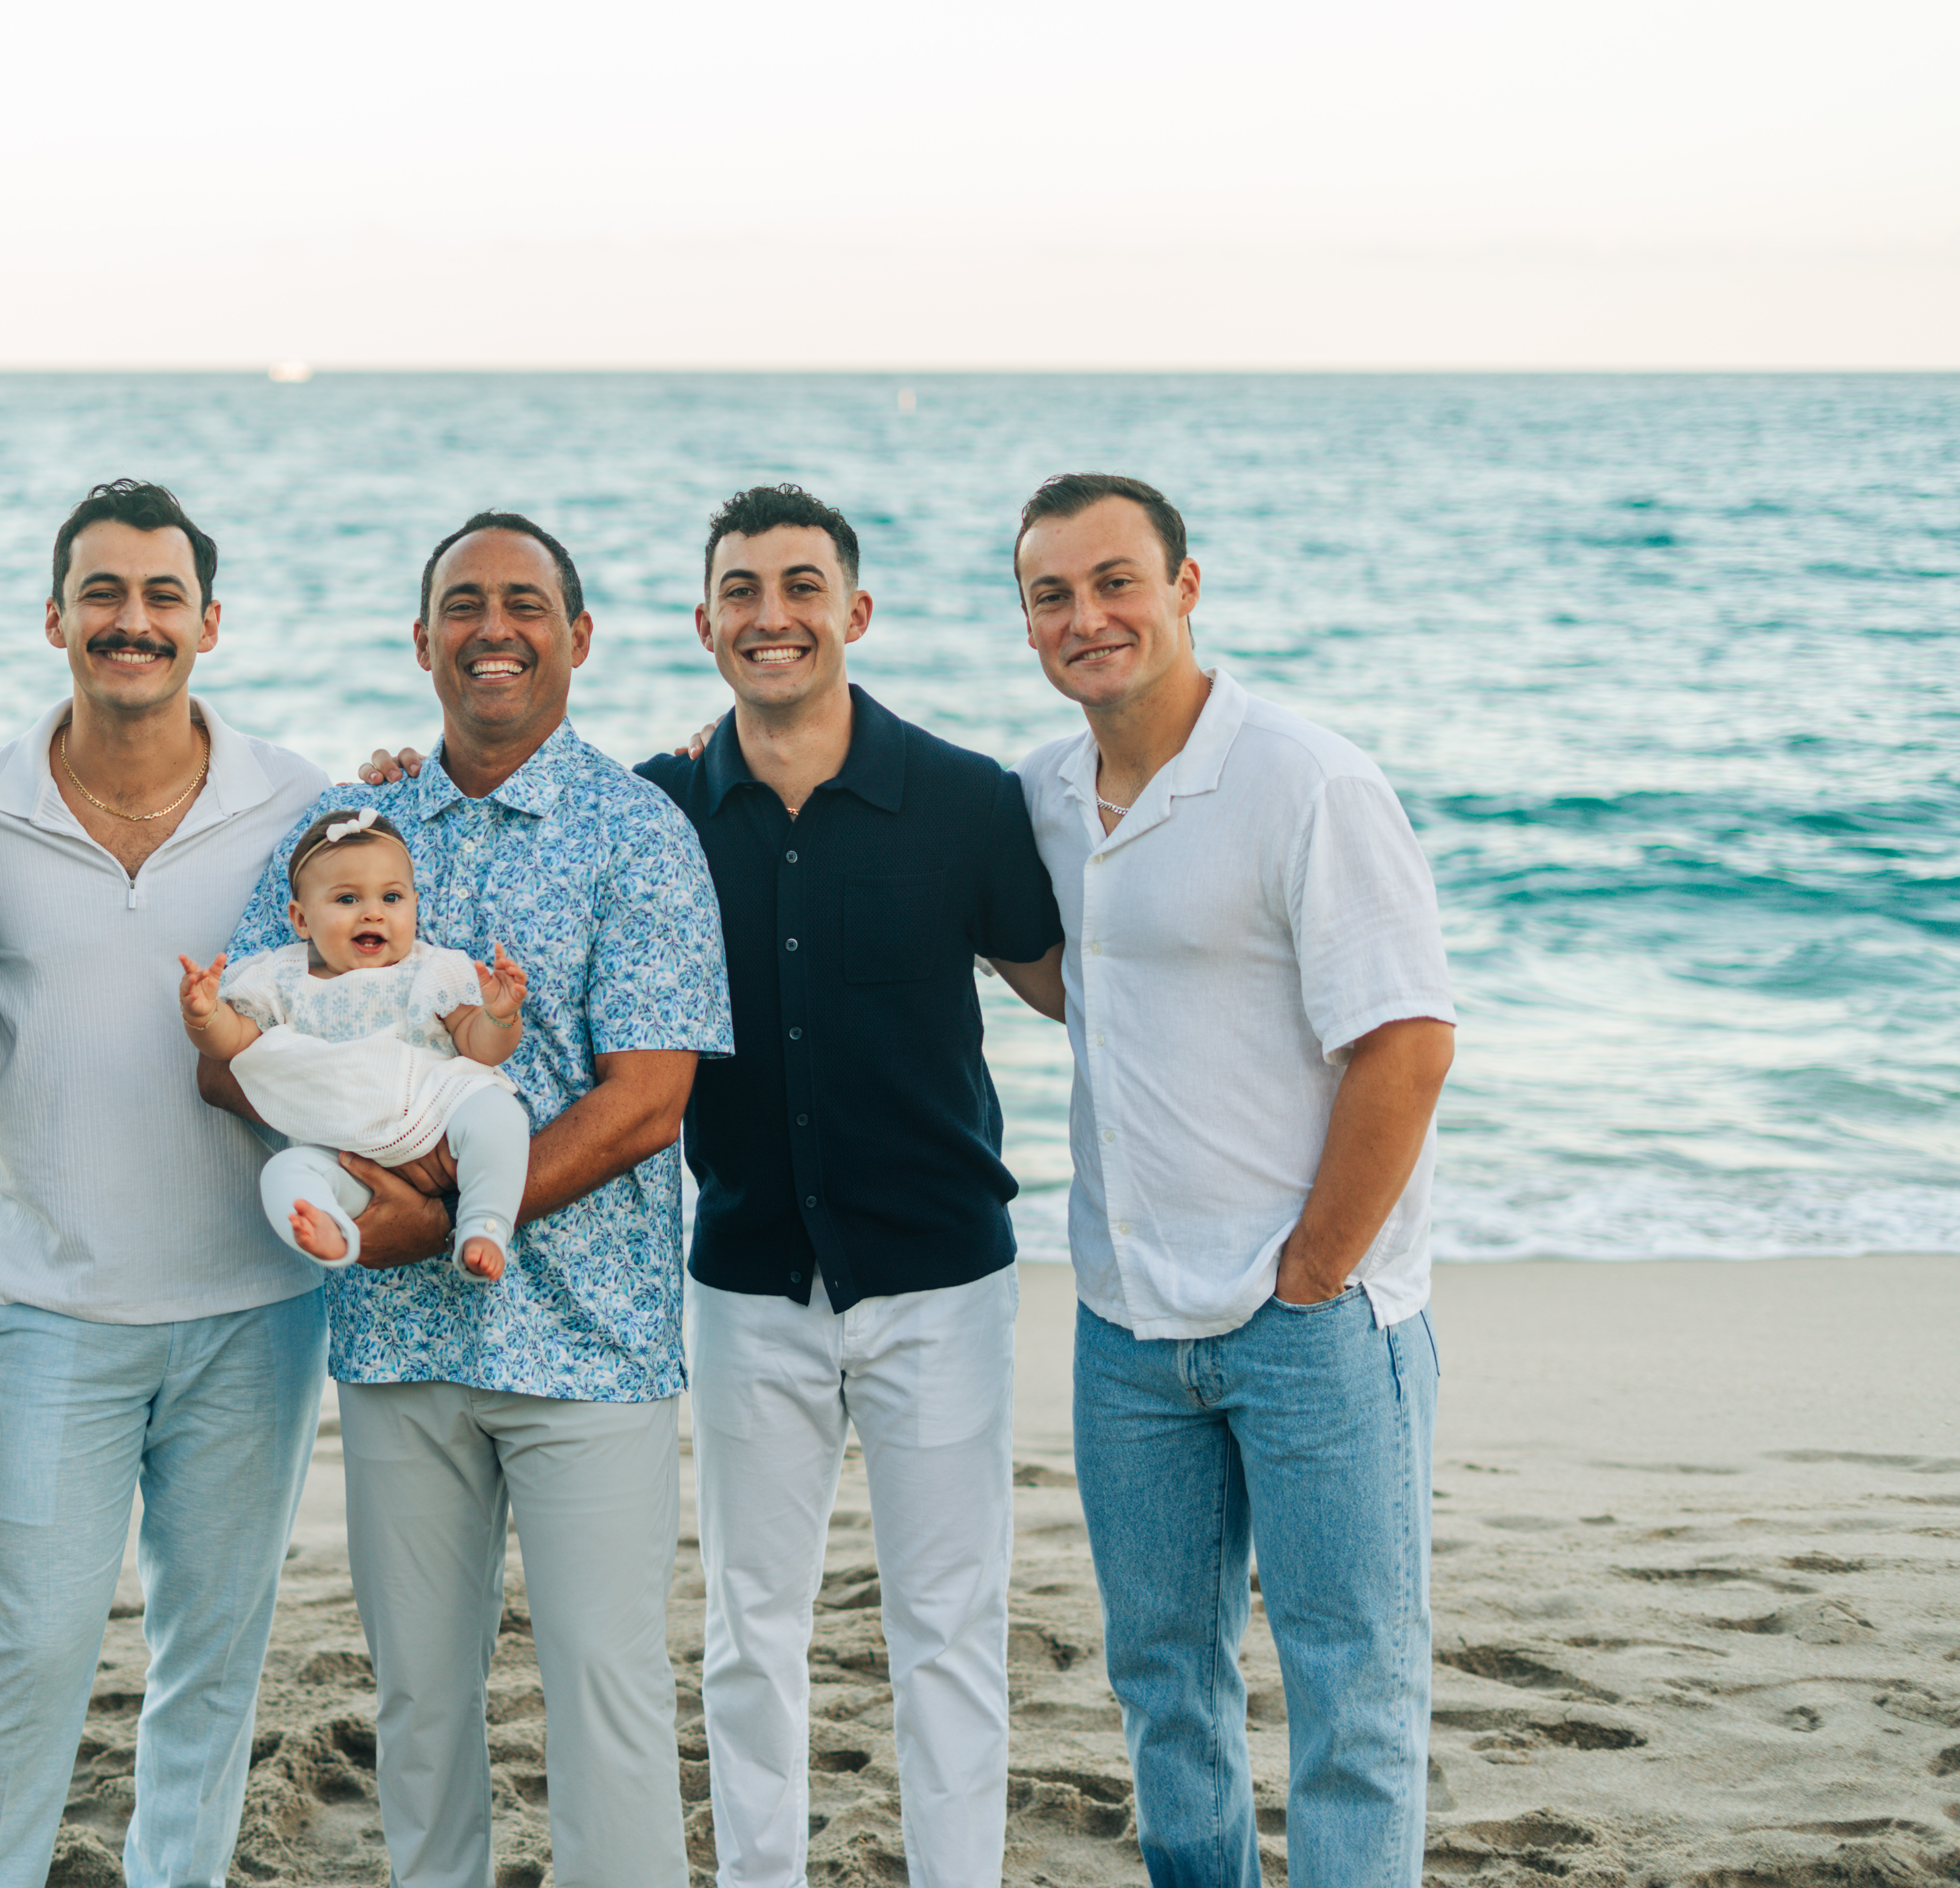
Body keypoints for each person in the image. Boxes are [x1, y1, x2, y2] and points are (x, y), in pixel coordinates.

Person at [214, 511, 730, 1888]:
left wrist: (436, 1220)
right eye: (462, 603)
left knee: (610, 1707)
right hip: (400, 1345)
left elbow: (648, 1101)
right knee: (421, 1711)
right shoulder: (352, 830)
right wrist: (332, 1152)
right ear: (423, 639)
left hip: (593, 1344)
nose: (492, 626)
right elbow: (235, 1049)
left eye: (523, 602)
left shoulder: (641, 834)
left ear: (577, 636)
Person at [1012, 473, 1456, 1887]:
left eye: (1115, 581)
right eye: (1050, 594)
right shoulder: (1035, 794)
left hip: (1310, 1324)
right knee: (1162, 1687)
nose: (1087, 617)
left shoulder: (1303, 780)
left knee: (1350, 1690)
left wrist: (1311, 1271)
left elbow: (1406, 1042)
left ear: (1185, 588)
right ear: (1024, 621)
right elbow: (1076, 978)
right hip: (1123, 1321)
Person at [634, 484, 1065, 1888]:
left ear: (854, 613)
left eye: (802, 586)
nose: (774, 615)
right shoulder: (657, 811)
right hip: (748, 1275)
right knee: (752, 1629)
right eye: (744, 591)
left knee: (950, 1626)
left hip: (941, 1276)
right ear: (706, 626)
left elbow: (1087, 991)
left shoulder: (967, 800)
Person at [0, 479, 333, 1888]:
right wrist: (51, 1076)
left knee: (211, 1658)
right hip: (51, 1306)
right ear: (54, 617)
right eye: (102, 593)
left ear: (208, 621)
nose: (132, 620)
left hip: (259, 1307)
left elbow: (368, 966)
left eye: (162, 596)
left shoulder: (296, 801)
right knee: (30, 1643)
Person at [176, 808, 530, 1280]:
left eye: (392, 896)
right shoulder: (281, 976)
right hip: (343, 1150)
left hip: (436, 1117)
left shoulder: (428, 969)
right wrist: (205, 1015)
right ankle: (334, 1229)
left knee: (498, 1113)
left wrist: (499, 1016)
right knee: (287, 1174)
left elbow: (479, 1047)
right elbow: (236, 1043)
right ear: (301, 919)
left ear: (415, 905)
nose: (373, 912)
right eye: (347, 898)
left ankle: (485, 1223)